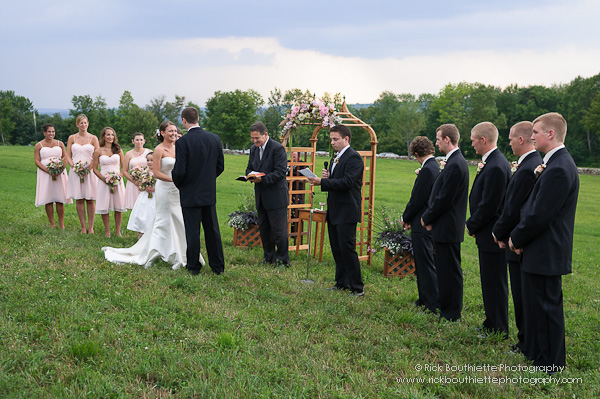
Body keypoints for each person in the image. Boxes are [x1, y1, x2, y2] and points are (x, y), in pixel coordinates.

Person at [509, 112, 579, 372]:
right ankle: (538, 353)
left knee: (547, 308)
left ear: (550, 134)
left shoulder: (560, 167)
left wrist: (517, 236)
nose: (532, 136)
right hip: (539, 249)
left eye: (536, 132)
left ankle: (551, 364)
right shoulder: (554, 163)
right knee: (536, 305)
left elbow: (540, 214)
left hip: (547, 250)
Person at [103, 121, 204, 270]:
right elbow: (156, 173)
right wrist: (174, 180)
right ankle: (154, 253)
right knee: (163, 220)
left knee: (178, 220)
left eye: (175, 131)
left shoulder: (179, 147)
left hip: (178, 190)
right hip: (164, 188)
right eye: (170, 131)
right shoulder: (159, 149)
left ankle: (179, 254)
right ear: (162, 133)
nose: (174, 134)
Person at [492, 121, 542, 355]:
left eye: (511, 138)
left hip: (517, 242)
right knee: (521, 295)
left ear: (521, 140)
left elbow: (513, 208)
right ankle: (525, 339)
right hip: (517, 240)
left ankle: (525, 342)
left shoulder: (528, 168)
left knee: (522, 296)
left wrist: (499, 233)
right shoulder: (531, 164)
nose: (509, 143)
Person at [465, 122, 511, 338]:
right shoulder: (492, 162)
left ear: (483, 140)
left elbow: (490, 205)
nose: (472, 143)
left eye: (474, 140)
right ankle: (491, 321)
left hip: (492, 234)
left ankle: (498, 326)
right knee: (489, 281)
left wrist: (472, 224)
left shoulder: (495, 165)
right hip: (486, 233)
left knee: (494, 282)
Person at [307, 125, 365, 297]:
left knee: (347, 249)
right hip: (334, 209)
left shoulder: (354, 158)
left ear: (346, 139)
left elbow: (347, 183)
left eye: (335, 139)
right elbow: (337, 181)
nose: (332, 142)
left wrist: (322, 182)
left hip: (347, 210)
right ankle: (341, 282)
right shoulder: (335, 158)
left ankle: (357, 287)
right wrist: (327, 178)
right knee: (337, 249)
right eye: (331, 139)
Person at [421, 124, 469, 322]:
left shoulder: (456, 164)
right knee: (444, 269)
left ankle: (452, 312)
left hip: (448, 226)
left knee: (450, 271)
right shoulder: (452, 162)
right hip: (446, 226)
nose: (436, 142)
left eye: (438, 138)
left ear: (448, 139)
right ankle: (445, 304)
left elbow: (444, 198)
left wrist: (427, 217)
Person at [172, 107, 225, 275]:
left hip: (190, 193)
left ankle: (194, 266)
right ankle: (218, 266)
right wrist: (208, 180)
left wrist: (183, 185)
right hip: (208, 193)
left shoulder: (182, 142)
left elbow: (179, 171)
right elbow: (220, 166)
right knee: (212, 231)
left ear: (183, 120)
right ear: (198, 118)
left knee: (192, 231)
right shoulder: (214, 138)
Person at [401, 136, 439, 313]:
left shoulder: (427, 170)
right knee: (423, 263)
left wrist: (405, 217)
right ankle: (424, 298)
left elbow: (417, 199)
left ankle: (430, 302)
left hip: (422, 223)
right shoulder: (433, 166)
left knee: (425, 264)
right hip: (425, 221)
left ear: (416, 153)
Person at [246, 122, 290, 267]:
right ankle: (268, 258)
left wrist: (262, 179)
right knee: (264, 230)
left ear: (265, 135)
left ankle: (283, 260)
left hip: (276, 196)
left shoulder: (277, 148)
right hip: (261, 195)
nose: (254, 141)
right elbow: (249, 168)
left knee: (279, 231)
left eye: (257, 138)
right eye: (252, 138)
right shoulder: (253, 149)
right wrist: (249, 176)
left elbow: (280, 172)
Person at [34, 123, 72, 229]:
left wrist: (61, 169)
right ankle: (52, 224)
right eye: (49, 131)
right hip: (45, 174)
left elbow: (65, 158)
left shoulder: (60, 144)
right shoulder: (39, 145)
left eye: (53, 131)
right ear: (44, 132)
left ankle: (61, 224)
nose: (51, 134)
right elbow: (37, 161)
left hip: (59, 174)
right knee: (49, 199)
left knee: (60, 199)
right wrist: (47, 170)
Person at [66, 114, 99, 234]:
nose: (83, 125)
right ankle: (83, 227)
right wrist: (74, 167)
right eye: (81, 123)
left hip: (89, 172)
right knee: (79, 199)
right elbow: (68, 155)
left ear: (88, 124)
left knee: (90, 199)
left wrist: (89, 168)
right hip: (75, 172)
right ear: (77, 124)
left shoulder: (93, 138)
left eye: (85, 123)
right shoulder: (72, 138)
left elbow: (97, 155)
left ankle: (91, 227)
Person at [93, 127, 126, 237]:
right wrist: (104, 180)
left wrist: (119, 178)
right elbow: (94, 169)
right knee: (104, 206)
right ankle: (107, 231)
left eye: (112, 135)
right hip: (104, 182)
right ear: (103, 136)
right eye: (108, 135)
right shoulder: (98, 151)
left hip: (117, 181)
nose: (110, 137)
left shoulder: (118, 150)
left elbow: (123, 167)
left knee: (118, 205)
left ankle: (118, 231)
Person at [127, 152, 156, 239]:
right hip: (144, 197)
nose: (149, 162)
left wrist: (154, 189)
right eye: (148, 160)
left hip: (154, 196)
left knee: (152, 214)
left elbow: (161, 185)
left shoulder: (158, 172)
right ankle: (141, 235)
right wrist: (144, 187)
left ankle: (152, 235)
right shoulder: (144, 172)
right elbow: (139, 186)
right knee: (142, 215)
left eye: (152, 160)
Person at [123, 132, 151, 210]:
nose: (139, 142)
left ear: (144, 141)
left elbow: (152, 167)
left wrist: (147, 180)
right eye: (137, 140)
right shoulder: (128, 154)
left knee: (146, 207)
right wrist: (135, 181)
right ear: (133, 141)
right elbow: (124, 171)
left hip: (145, 182)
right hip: (133, 183)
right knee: (134, 208)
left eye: (141, 140)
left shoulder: (148, 152)